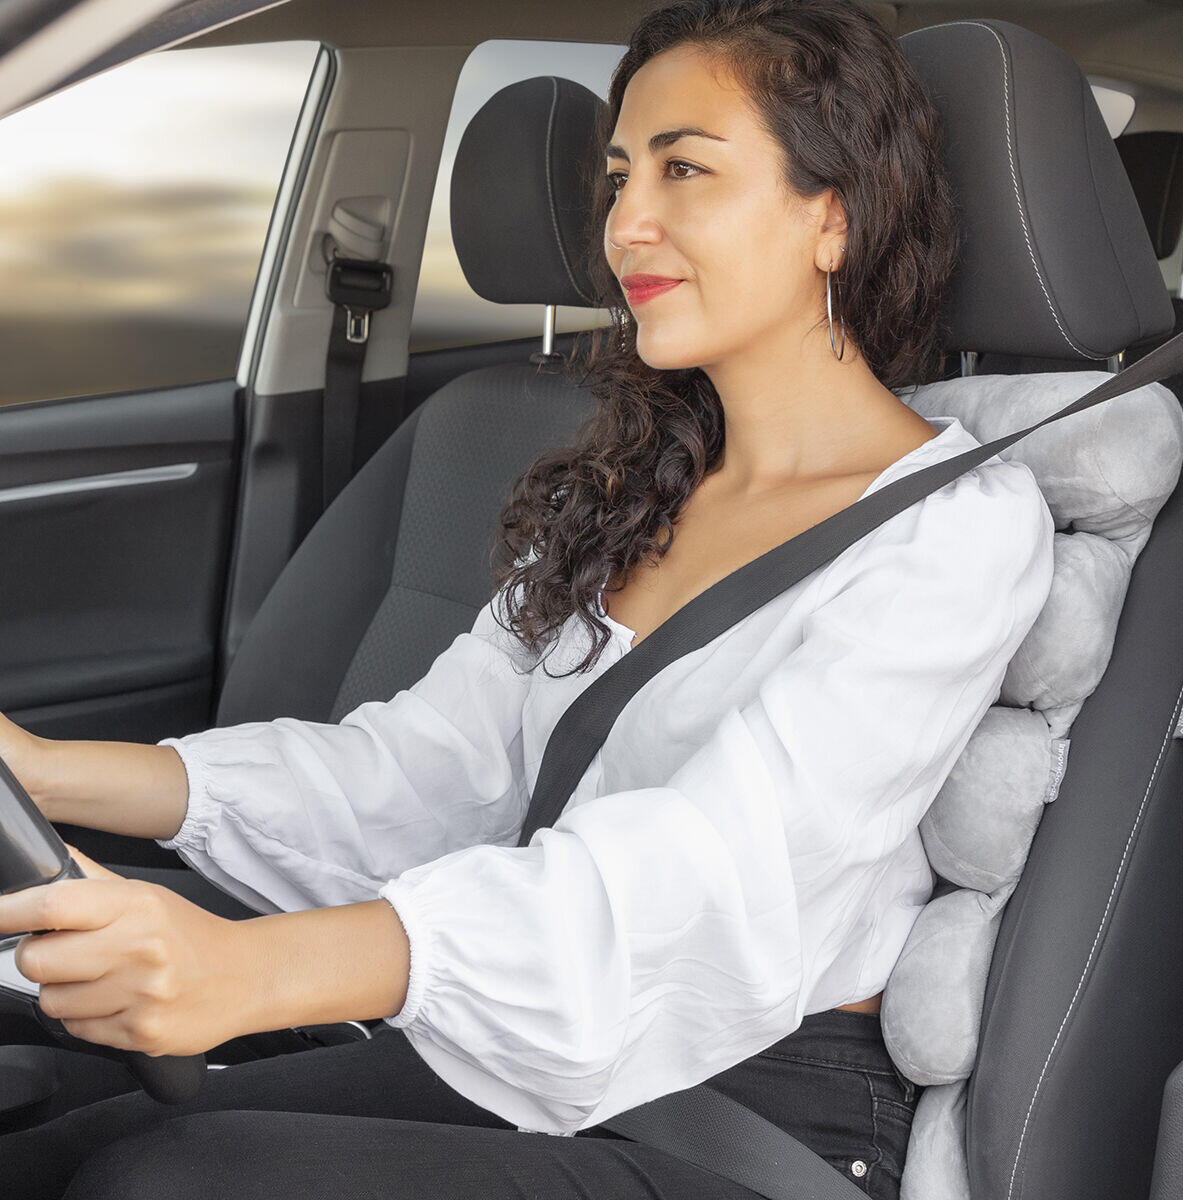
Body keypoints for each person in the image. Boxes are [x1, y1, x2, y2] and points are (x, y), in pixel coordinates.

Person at [0, 0, 1056, 1196]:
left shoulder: (955, 528)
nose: (625, 224)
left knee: (160, 1181)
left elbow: (704, 875)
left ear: (834, 216)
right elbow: (413, 773)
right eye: (617, 179)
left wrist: (252, 974)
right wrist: (42, 771)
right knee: (58, 1143)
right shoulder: (625, 492)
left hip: (752, 1102)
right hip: (546, 1036)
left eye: (685, 170)